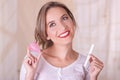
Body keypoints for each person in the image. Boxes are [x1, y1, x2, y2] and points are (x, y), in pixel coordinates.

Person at [20, 1, 104, 80]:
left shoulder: (86, 63)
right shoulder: (33, 60)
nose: (63, 27)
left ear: (73, 22)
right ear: (46, 34)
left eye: (64, 18)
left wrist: (93, 77)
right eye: (52, 24)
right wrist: (30, 74)